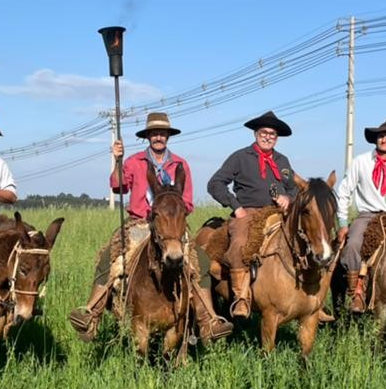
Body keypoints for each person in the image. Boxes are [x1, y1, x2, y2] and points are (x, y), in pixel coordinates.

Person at [68, 112, 231, 342]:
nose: (158, 137)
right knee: (111, 257)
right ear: (148, 136)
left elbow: (188, 203)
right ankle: (91, 316)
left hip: (172, 227)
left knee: (200, 262)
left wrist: (170, 216)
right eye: (154, 133)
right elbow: (118, 185)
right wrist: (117, 160)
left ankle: (208, 322)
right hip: (140, 224)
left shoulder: (180, 164)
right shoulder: (134, 162)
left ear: (168, 136)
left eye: (162, 133)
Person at [206, 110, 297, 318]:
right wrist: (236, 207)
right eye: (264, 132)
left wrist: (288, 199)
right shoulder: (240, 157)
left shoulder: (283, 161)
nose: (267, 137)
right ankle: (241, 298)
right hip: (248, 213)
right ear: (256, 134)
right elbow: (215, 183)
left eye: (272, 134)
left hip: (278, 214)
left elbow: (294, 188)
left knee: (306, 240)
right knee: (239, 244)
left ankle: (309, 302)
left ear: (277, 138)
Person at [335, 117, 386, 313]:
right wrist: (342, 222)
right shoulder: (361, 162)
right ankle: (356, 292)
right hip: (368, 215)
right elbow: (344, 192)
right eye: (381, 136)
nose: (384, 140)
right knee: (353, 245)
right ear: (376, 140)